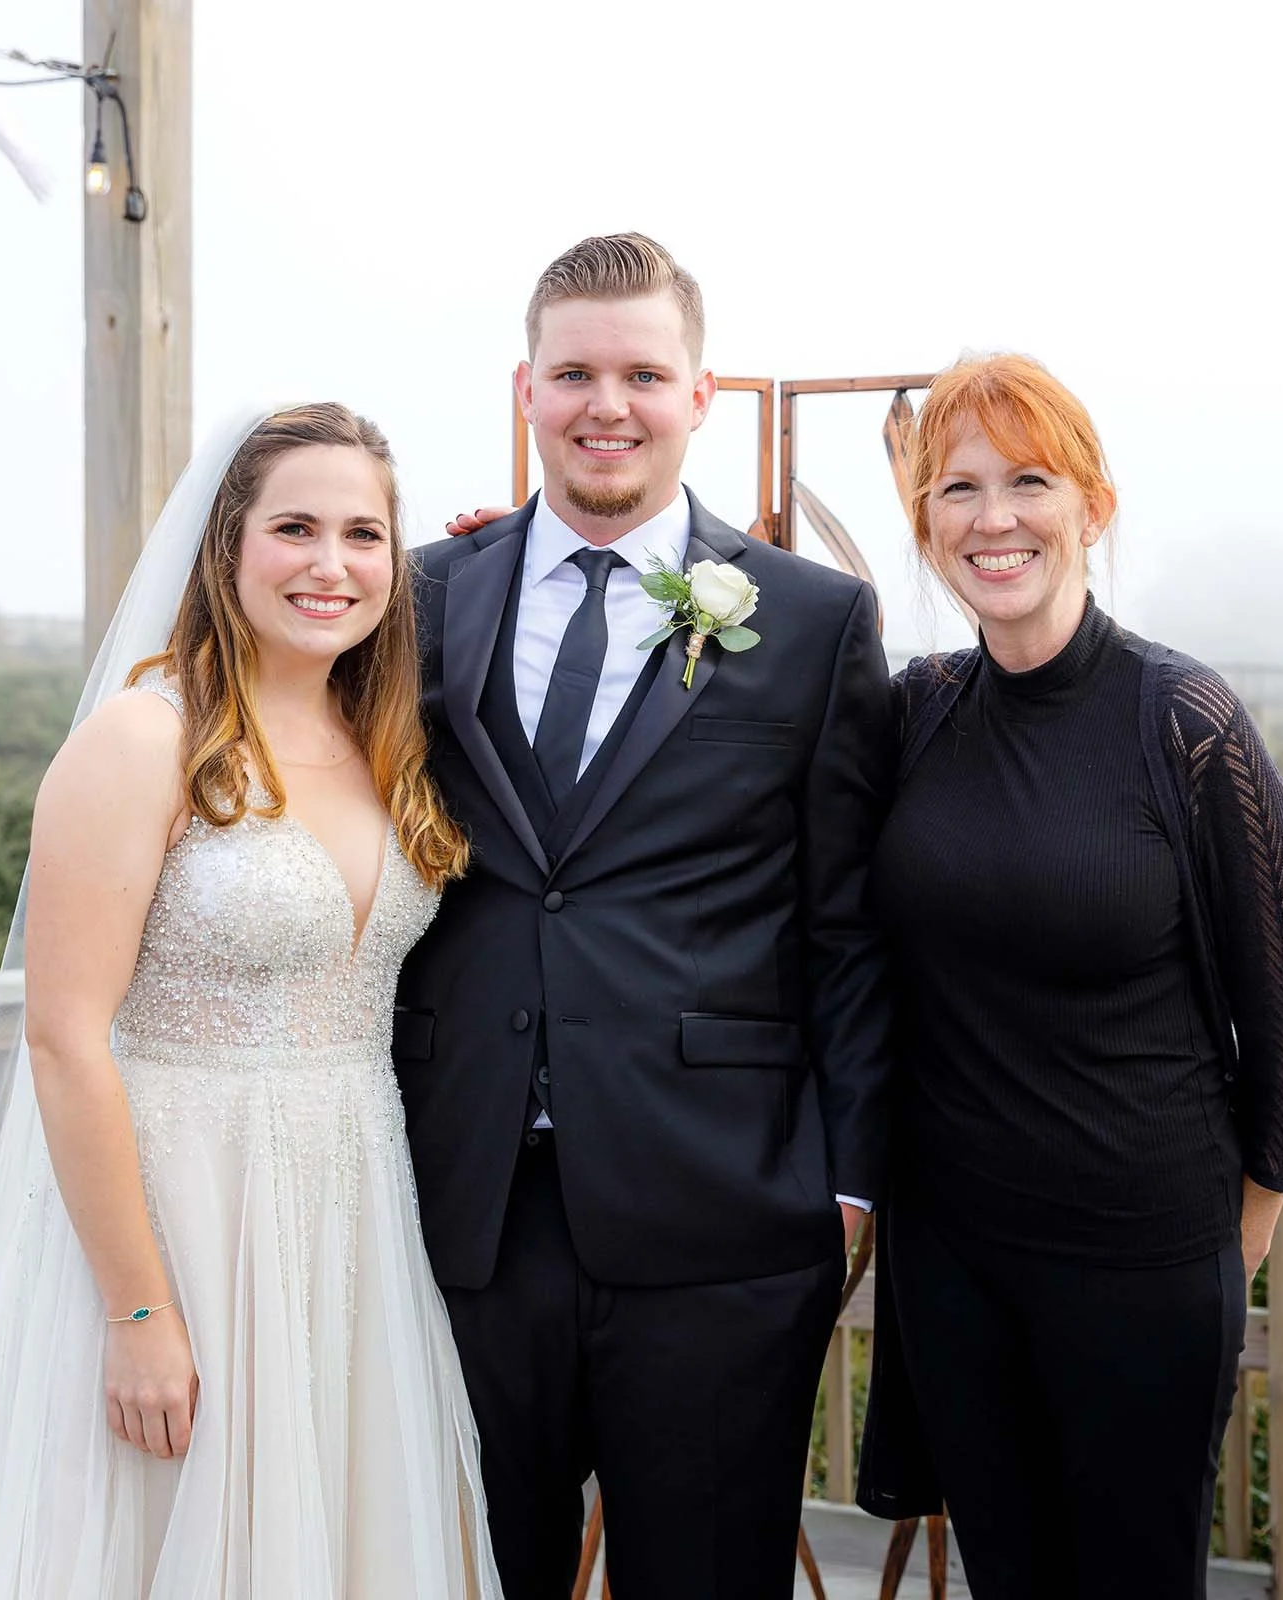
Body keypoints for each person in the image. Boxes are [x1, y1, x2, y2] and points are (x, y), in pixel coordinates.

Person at [0, 404, 504, 1598]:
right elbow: (63, 1038)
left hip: (349, 1214)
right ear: (225, 545)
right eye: (293, 527)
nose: (330, 563)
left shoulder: (387, 745)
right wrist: (137, 1309)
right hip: (178, 1211)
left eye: (364, 534)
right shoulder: (144, 738)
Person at [395, 233, 897, 1600]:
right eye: (574, 373)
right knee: (469, 1574)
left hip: (723, 1214)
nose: (604, 403)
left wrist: (845, 1188)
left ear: (700, 394)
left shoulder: (810, 621)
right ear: (526, 389)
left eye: (640, 373)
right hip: (465, 1208)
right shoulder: (420, 600)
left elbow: (847, 926)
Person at [852, 353, 1283, 1597]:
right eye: (957, 490)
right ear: (926, 526)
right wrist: (504, 552)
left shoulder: (1183, 722)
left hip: (1142, 1262)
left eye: (1028, 480)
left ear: (1093, 503)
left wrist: (1243, 1226)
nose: (994, 517)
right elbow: (729, 738)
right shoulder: (915, 714)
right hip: (955, 1266)